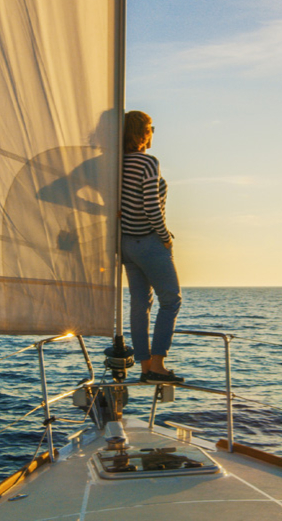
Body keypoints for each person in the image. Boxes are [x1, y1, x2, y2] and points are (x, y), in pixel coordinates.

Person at [120, 110, 184, 383]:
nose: (153, 133)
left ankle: (146, 369)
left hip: (125, 243)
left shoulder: (116, 164)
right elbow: (151, 206)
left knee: (140, 305)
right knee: (171, 300)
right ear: (142, 133)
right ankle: (158, 365)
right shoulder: (147, 163)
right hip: (148, 240)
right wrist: (165, 237)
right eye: (151, 128)